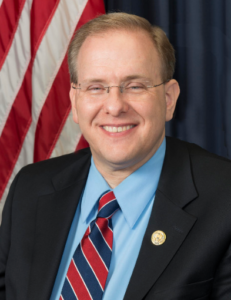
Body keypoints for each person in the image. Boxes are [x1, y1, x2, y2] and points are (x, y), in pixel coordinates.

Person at [0, 12, 231, 300]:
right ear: (74, 102)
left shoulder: (225, 200)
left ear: (168, 100)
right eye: (96, 87)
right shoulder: (30, 188)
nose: (114, 106)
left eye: (135, 86)